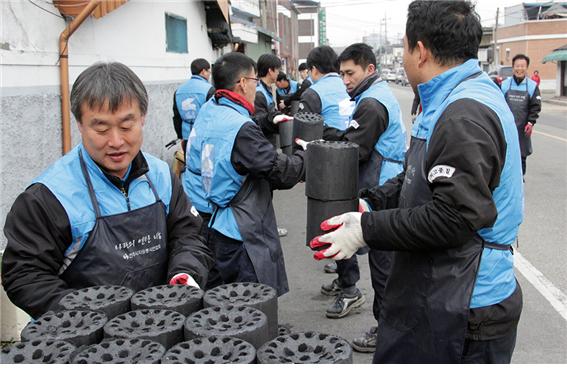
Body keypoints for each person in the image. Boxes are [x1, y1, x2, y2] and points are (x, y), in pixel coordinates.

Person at [309, 1, 523, 363]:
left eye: (406, 48)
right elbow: (418, 173)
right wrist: (371, 202)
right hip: (444, 285)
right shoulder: (448, 98)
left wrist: (366, 229)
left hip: (467, 304)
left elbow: (452, 218)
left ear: (420, 51)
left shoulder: (464, 114)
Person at [2, 62, 213, 319]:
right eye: (101, 128)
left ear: (142, 118)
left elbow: (188, 235)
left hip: (161, 325)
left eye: (126, 126)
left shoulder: (161, 176)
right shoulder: (48, 196)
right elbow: (25, 276)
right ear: (80, 124)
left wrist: (185, 273)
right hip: (88, 344)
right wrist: (87, 317)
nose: (116, 142)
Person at [186, 52, 305, 296]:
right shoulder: (240, 130)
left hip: (210, 217)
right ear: (241, 83)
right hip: (239, 228)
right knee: (251, 299)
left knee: (221, 296)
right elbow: (281, 172)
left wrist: (269, 121)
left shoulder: (211, 109)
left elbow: (235, 130)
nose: (255, 86)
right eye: (253, 80)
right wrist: (307, 156)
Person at [328, 42, 406, 352]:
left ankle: (387, 332)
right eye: (341, 74)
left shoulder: (372, 103)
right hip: (385, 188)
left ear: (369, 69)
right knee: (386, 265)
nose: (345, 80)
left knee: (384, 268)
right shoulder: (374, 96)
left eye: (350, 73)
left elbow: (354, 150)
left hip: (383, 192)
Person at [298, 45, 363, 319]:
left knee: (333, 225)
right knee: (346, 220)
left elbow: (303, 132)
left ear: (313, 69)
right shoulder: (349, 88)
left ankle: (350, 289)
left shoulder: (313, 93)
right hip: (354, 162)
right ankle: (344, 280)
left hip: (328, 169)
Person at [501, 54, 541, 176]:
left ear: (527, 67)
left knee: (521, 157)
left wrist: (530, 122)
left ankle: (520, 180)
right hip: (506, 128)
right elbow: (498, 103)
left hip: (522, 129)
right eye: (517, 66)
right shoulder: (505, 84)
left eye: (522, 66)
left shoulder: (532, 86)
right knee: (504, 155)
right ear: (513, 68)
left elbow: (535, 106)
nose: (520, 69)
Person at [173, 58, 214, 151]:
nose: (209, 75)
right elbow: (213, 115)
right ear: (203, 71)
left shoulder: (178, 91)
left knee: (189, 164)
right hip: (205, 137)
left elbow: (177, 117)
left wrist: (181, 136)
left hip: (187, 137)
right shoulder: (209, 89)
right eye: (209, 72)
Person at [254, 53, 290, 146]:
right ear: (270, 71)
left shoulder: (268, 89)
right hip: (263, 143)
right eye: (277, 70)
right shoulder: (259, 93)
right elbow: (260, 124)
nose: (278, 73)